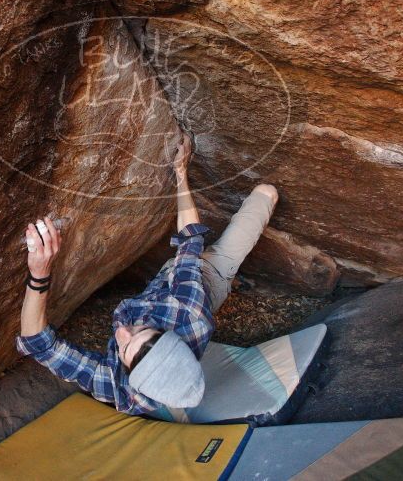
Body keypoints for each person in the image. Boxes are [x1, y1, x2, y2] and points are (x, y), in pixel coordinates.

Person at [16, 132, 279, 414]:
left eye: (126, 348)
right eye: (140, 329)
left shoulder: (118, 387)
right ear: (168, 334)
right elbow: (190, 241)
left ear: (131, 377)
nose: (122, 332)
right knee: (267, 192)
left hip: (171, 282)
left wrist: (40, 272)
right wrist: (180, 172)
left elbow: (38, 343)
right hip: (211, 273)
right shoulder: (187, 315)